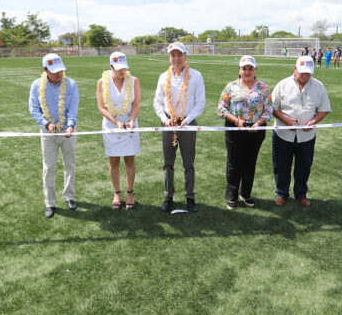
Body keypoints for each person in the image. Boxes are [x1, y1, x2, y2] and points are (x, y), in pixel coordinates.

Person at [271, 56, 331, 207]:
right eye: (302, 72)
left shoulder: (319, 86)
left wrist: (313, 122)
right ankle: (281, 193)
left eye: (308, 73)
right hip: (283, 134)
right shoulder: (282, 85)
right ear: (295, 68)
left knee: (304, 166)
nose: (305, 75)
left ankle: (301, 194)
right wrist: (286, 121)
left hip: (307, 136)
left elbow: (324, 109)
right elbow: (273, 107)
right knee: (281, 165)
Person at [153, 42, 206, 213]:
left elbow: (200, 102)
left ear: (185, 56)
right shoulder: (163, 77)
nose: (176, 59)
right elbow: (158, 102)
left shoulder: (196, 76)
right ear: (169, 57)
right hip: (168, 123)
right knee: (168, 163)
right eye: (173, 55)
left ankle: (190, 197)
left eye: (179, 55)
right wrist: (164, 118)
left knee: (188, 163)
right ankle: (168, 196)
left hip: (187, 123)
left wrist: (188, 119)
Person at [217, 55, 273, 209]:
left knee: (250, 163)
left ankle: (246, 194)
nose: (247, 71)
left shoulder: (264, 88)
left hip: (256, 129)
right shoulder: (231, 87)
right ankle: (232, 195)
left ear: (255, 70)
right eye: (244, 68)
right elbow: (221, 108)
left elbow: (269, 110)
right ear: (239, 70)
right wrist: (236, 121)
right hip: (235, 128)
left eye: (250, 68)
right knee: (234, 163)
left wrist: (259, 122)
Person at [29, 53, 79, 217]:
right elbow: (34, 109)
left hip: (68, 131)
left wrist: (70, 125)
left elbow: (73, 108)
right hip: (47, 132)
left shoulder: (71, 84)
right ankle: (50, 203)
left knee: (69, 164)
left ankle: (69, 197)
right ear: (45, 70)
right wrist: (46, 123)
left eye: (61, 70)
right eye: (55, 71)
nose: (59, 74)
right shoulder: (37, 85)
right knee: (48, 167)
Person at [96, 52, 141, 210]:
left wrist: (130, 120)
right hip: (111, 125)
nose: (122, 72)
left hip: (130, 124)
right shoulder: (102, 82)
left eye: (124, 68)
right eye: (118, 68)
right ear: (111, 67)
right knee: (114, 161)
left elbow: (135, 105)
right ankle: (117, 193)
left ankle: (130, 192)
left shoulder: (134, 81)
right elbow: (102, 107)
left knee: (130, 159)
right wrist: (115, 122)